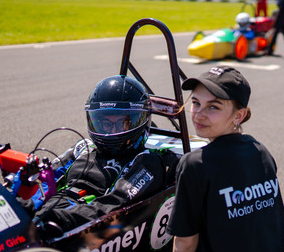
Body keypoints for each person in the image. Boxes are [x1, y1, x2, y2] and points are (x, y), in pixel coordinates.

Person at [113, 67, 284, 252]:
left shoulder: (196, 164)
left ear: (240, 114)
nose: (199, 114)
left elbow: (184, 243)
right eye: (195, 103)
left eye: (213, 107)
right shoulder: (261, 152)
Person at [17, 75, 173, 231]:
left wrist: (57, 218)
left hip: (80, 224)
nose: (112, 131)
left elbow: (113, 204)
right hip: (53, 208)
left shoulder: (147, 161)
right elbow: (46, 177)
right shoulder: (83, 147)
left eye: (122, 123)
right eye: (106, 123)